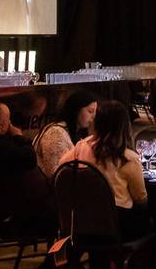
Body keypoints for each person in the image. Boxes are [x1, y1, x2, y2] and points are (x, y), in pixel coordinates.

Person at [58, 101, 151, 240]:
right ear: (125, 126)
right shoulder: (128, 158)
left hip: (82, 223)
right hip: (116, 226)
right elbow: (141, 198)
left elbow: (61, 168)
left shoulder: (81, 147)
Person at [0, 102, 55, 237]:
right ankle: (61, 256)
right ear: (0, 127)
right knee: (73, 215)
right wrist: (18, 136)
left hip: (18, 212)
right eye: (9, 121)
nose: (11, 125)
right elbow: (30, 159)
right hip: (19, 220)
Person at [34, 91, 98, 178]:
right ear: (76, 110)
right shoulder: (55, 133)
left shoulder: (76, 133)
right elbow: (57, 174)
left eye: (95, 112)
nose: (93, 116)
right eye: (90, 111)